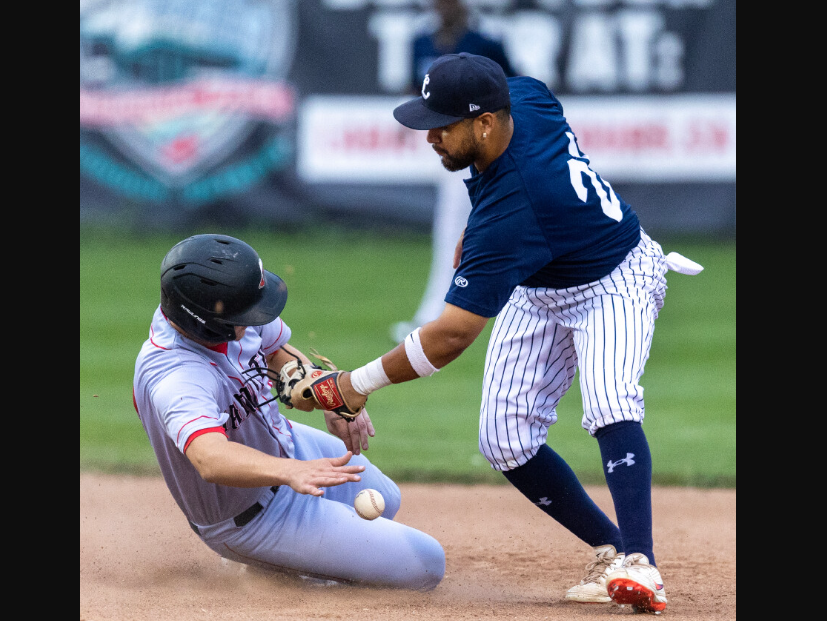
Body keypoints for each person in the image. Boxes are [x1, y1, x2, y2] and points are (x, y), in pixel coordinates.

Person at [289, 54, 704, 613]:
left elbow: (451, 336)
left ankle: (642, 565)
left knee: (610, 401)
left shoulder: (515, 211)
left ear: (484, 122)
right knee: (504, 438)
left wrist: (356, 383)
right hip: (539, 281)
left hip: (615, 277)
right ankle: (612, 550)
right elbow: (508, 142)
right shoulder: (525, 98)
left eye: (443, 124)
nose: (430, 135)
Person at [132, 233, 445, 590]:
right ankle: (275, 568)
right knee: (427, 565)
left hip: (288, 447)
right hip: (247, 517)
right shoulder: (177, 376)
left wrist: (328, 395)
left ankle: (285, 559)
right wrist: (291, 472)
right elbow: (210, 458)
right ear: (205, 323)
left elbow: (276, 352)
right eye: (246, 315)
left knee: (387, 500)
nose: (255, 320)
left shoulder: (223, 309)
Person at [390, 0, 517, 343]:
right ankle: (440, 314)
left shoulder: (484, 43)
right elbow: (415, 90)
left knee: (459, 227)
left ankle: (436, 316)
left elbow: (513, 89)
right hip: (448, 145)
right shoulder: (421, 41)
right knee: (454, 228)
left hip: (478, 145)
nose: (443, 6)